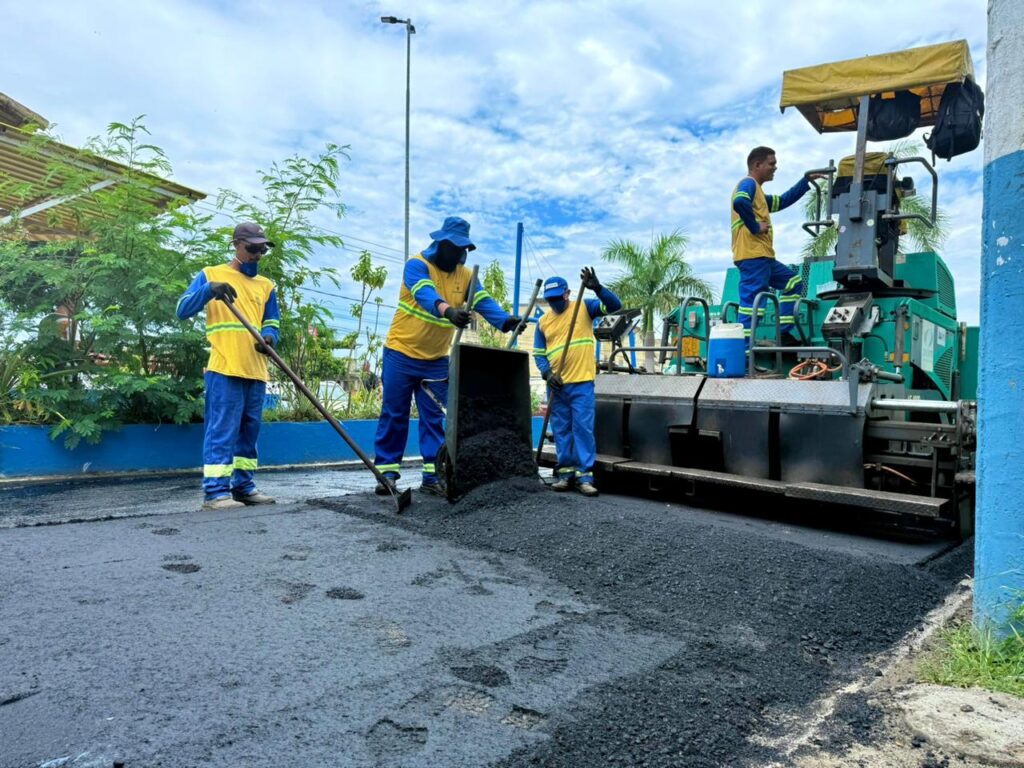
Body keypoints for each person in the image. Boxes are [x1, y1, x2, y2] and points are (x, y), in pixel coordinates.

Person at [373, 216, 524, 497]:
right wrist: (448, 310)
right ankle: (387, 474)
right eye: (455, 248)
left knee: (434, 416)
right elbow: (424, 293)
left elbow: (482, 300)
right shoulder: (417, 265)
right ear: (441, 244)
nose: (460, 254)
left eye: (464, 249)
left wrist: (505, 321)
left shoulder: (466, 274)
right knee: (394, 413)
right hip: (401, 353)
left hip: (435, 359)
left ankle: (433, 475)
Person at [176, 222, 281, 510]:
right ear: (236, 244)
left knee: (249, 433)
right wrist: (209, 290)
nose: (257, 254)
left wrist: (270, 336)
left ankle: (243, 487)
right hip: (225, 368)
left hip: (256, 371)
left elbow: (273, 320)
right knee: (222, 431)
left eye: (262, 249)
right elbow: (182, 310)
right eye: (252, 248)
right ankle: (215, 492)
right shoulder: (211, 275)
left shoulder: (266, 286)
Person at [533, 267, 621, 497]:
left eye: (557, 298)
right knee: (562, 430)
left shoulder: (584, 306)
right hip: (557, 386)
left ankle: (584, 477)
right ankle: (565, 475)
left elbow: (615, 307)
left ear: (567, 293)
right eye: (549, 300)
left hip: (581, 383)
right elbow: (538, 353)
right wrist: (546, 375)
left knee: (582, 430)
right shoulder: (542, 322)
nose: (554, 303)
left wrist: (598, 289)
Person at [731, 146, 819, 346]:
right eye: (772, 164)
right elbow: (739, 202)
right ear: (757, 165)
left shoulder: (759, 194)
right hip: (753, 256)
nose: (775, 168)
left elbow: (783, 200)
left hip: (763, 257)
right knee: (753, 305)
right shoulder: (748, 184)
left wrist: (805, 181)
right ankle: (744, 356)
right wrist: (754, 227)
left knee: (794, 283)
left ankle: (784, 335)